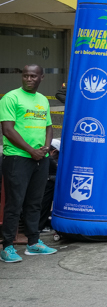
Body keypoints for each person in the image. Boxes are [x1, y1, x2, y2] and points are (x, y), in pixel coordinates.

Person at [1, 65, 57, 262]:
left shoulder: (42, 100)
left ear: (41, 77)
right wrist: (30, 150)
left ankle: (34, 243)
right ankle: (7, 246)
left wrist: (46, 147)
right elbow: (7, 130)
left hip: (40, 158)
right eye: (26, 75)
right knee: (14, 204)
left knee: (35, 202)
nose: (29, 79)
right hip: (17, 157)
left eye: (33, 76)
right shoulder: (11, 97)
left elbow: (48, 126)